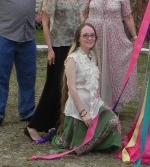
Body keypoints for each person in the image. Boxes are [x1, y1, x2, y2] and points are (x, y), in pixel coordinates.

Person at [24, 0, 82, 143]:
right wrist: (50, 49)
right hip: (58, 47)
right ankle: (33, 126)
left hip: (74, 46)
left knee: (69, 87)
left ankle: (59, 124)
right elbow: (46, 24)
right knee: (54, 87)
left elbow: (78, 19)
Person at [52, 22, 122, 155]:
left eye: (92, 36)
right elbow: (71, 88)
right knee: (79, 146)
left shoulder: (93, 56)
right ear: (78, 38)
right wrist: (83, 113)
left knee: (114, 121)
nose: (90, 38)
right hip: (79, 106)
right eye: (85, 36)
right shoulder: (72, 59)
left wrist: (99, 103)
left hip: (94, 103)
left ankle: (96, 143)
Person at [82, 0, 138, 109]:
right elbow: (85, 12)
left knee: (113, 66)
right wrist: (82, 32)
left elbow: (127, 16)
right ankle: (92, 101)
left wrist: (135, 36)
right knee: (94, 65)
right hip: (94, 36)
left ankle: (111, 104)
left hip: (115, 36)